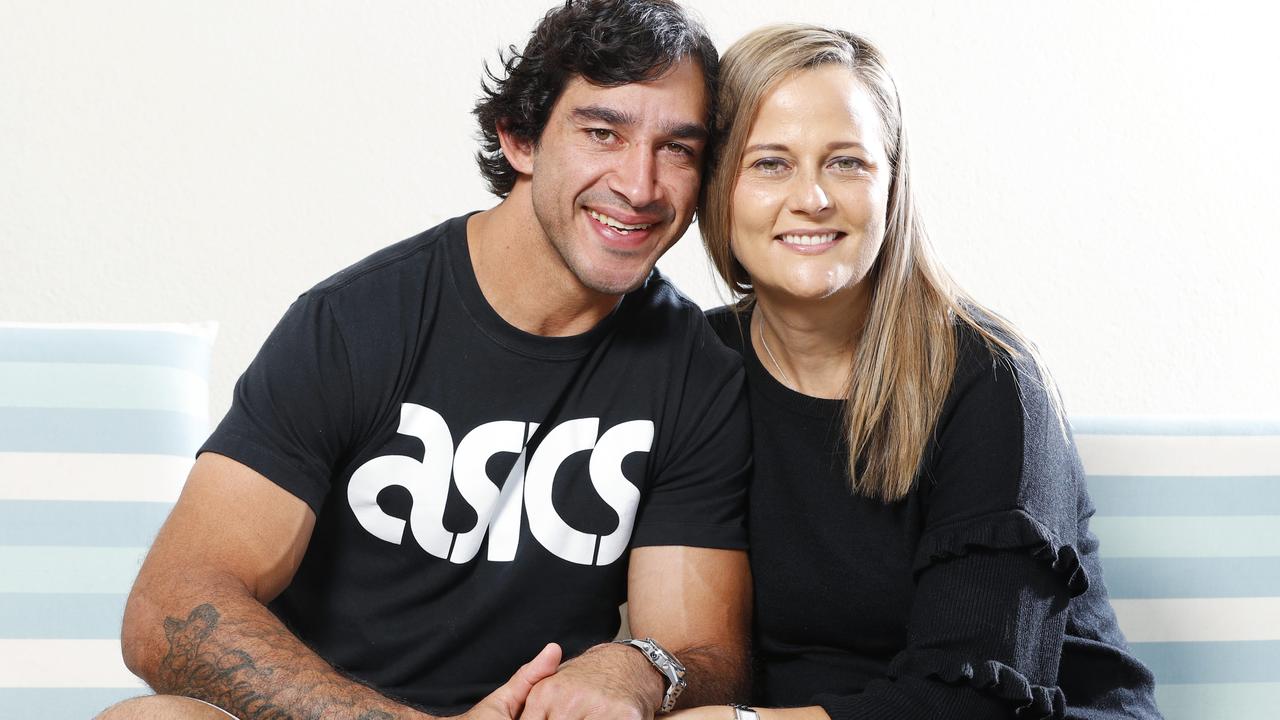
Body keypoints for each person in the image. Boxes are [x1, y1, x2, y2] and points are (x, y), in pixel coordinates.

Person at [101, 2, 753, 718]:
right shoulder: (355, 323)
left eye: (679, 149)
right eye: (603, 133)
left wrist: (639, 667)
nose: (639, 185)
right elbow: (169, 608)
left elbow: (707, 656)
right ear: (520, 138)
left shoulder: (695, 369)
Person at [673, 25, 1163, 720]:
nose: (812, 197)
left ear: (892, 186)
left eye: (846, 163)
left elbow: (977, 702)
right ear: (719, 188)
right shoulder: (693, 364)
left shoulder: (990, 383)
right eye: (771, 164)